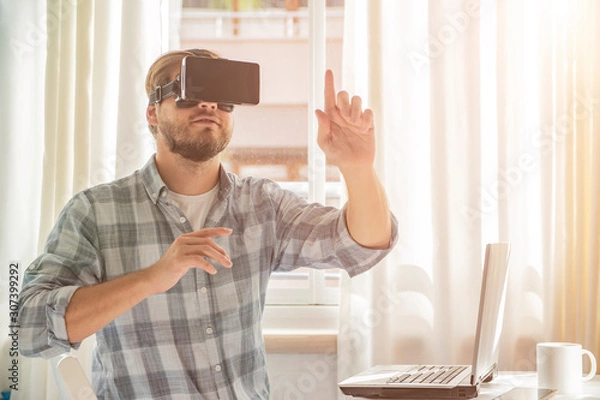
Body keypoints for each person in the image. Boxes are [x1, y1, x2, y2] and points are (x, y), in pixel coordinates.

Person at [18, 48, 398, 399]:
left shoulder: (261, 204)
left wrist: (357, 168)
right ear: (152, 112)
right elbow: (29, 327)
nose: (208, 105)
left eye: (222, 97)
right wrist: (152, 278)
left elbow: (361, 244)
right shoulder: (96, 212)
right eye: (187, 94)